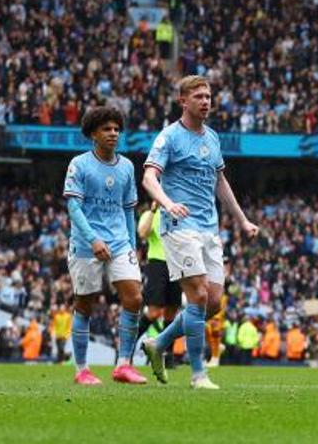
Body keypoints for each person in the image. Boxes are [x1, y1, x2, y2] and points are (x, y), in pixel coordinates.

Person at [140, 75, 259, 390]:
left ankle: (159, 342)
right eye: (199, 97)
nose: (206, 101)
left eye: (208, 96)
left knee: (215, 303)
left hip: (209, 228)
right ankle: (198, 374)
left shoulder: (213, 138)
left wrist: (243, 220)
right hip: (179, 227)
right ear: (183, 100)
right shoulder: (169, 137)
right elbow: (149, 178)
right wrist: (166, 204)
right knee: (198, 294)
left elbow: (220, 182)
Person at [62, 105, 147, 385]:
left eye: (116, 129)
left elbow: (127, 210)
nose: (113, 133)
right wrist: (93, 239)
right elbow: (74, 207)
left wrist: (133, 245)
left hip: (120, 242)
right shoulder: (79, 164)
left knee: (134, 297)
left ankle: (123, 364)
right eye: (106, 129)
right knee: (85, 305)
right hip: (86, 245)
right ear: (93, 134)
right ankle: (82, 370)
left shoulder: (126, 167)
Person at [136, 202, 183, 364]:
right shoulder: (151, 214)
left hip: (177, 264)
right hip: (157, 263)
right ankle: (127, 346)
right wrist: (153, 209)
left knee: (172, 312)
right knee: (154, 311)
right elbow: (142, 232)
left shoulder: (179, 212)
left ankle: (166, 355)